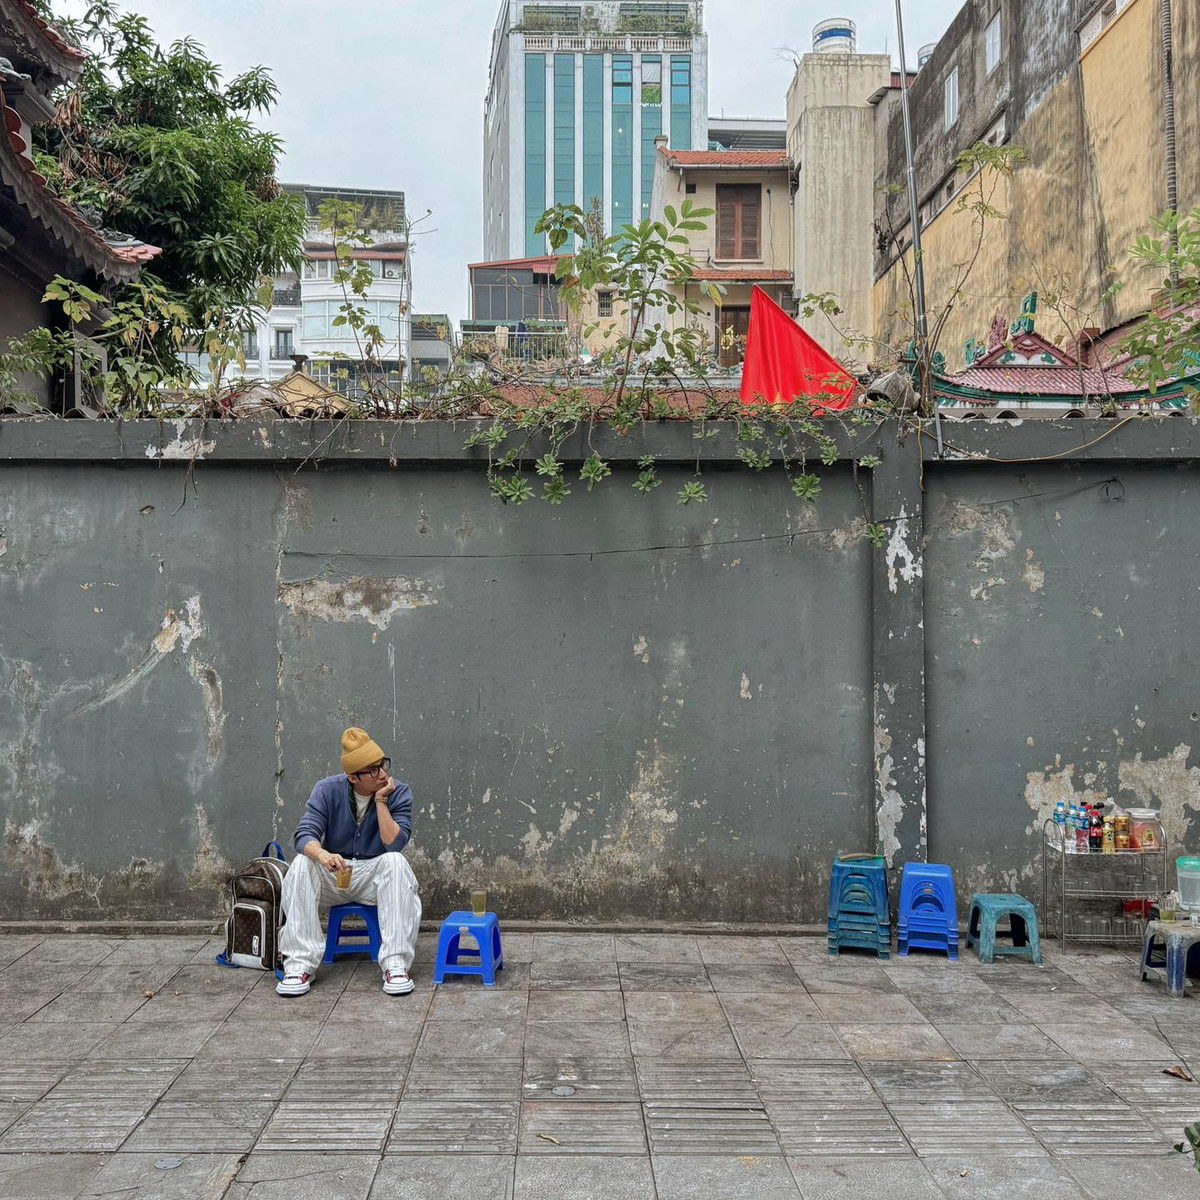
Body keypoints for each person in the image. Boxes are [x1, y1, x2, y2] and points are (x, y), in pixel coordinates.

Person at [277, 727, 422, 997]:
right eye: (373, 770)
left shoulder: (398, 792)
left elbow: (394, 843)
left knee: (396, 862)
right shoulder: (327, 790)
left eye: (383, 764)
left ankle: (396, 964)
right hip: (335, 875)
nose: (383, 774)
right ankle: (299, 965)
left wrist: (381, 801)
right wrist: (322, 855)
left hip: (373, 877)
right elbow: (304, 834)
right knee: (301, 864)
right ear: (353, 777)